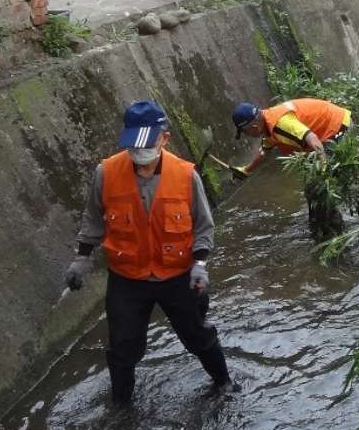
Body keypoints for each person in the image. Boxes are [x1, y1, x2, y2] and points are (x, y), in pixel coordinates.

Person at [63, 100, 232, 405]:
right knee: (122, 347)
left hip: (178, 275)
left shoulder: (185, 175)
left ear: (164, 137)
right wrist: (82, 257)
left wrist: (200, 263)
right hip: (127, 279)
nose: (139, 153)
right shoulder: (106, 173)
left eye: (146, 144)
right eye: (133, 145)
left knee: (198, 336)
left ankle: (225, 384)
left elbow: (204, 227)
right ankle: (121, 407)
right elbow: (93, 220)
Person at [230, 97, 353, 176]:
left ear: (254, 128)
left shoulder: (281, 125)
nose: (247, 136)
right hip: (328, 129)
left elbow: (311, 138)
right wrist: (246, 170)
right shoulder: (268, 124)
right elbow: (264, 152)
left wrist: (324, 165)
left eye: (245, 133)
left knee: (328, 179)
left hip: (338, 125)